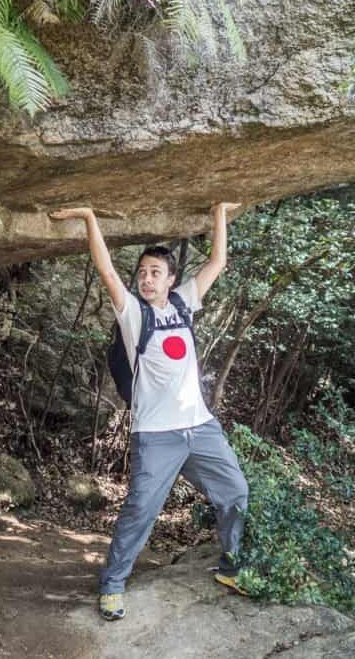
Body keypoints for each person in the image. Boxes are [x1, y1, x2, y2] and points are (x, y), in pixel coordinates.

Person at [49, 203, 250, 621]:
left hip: (200, 427)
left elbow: (218, 261)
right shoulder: (133, 317)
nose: (145, 278)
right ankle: (112, 585)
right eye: (141, 272)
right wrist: (90, 218)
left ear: (170, 279)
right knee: (140, 510)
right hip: (156, 434)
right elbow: (106, 272)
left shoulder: (183, 304)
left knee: (235, 493)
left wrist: (218, 214)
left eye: (154, 272)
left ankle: (230, 566)